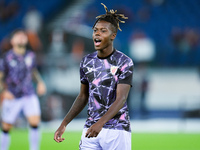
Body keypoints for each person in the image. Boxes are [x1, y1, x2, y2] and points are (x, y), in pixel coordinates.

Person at [54, 3, 134, 150]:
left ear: (113, 35)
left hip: (117, 130)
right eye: (95, 30)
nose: (97, 34)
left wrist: (101, 123)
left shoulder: (124, 62)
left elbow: (121, 98)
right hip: (91, 129)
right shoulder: (86, 61)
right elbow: (82, 97)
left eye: (103, 31)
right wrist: (64, 123)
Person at [0, 29, 46, 150]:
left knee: (35, 122)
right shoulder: (6, 57)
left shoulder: (30, 55)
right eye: (18, 36)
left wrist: (40, 83)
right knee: (6, 126)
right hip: (13, 95)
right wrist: (4, 91)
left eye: (23, 36)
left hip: (29, 93)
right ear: (12, 41)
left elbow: (33, 71)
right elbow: (0, 76)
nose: (21, 38)